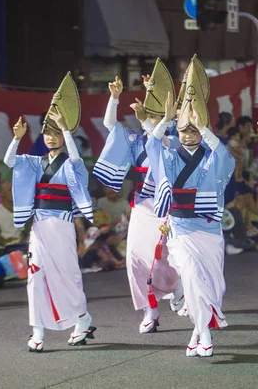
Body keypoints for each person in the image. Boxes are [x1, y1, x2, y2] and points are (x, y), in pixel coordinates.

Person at [146, 54, 235, 357]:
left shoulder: (212, 156)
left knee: (211, 284)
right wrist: (167, 120)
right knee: (193, 279)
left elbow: (225, 159)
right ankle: (206, 333)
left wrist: (204, 128)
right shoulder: (170, 156)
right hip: (181, 228)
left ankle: (197, 331)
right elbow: (152, 147)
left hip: (208, 229)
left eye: (193, 130)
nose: (187, 134)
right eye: (183, 130)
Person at [3, 73, 96, 352]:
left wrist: (67, 130)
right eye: (47, 134)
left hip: (63, 225)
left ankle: (82, 318)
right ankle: (38, 331)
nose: (51, 138)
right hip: (40, 227)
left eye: (55, 134)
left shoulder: (70, 164)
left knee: (68, 276)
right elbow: (10, 162)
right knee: (36, 277)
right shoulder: (34, 163)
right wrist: (17, 138)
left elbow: (78, 159)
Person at [93, 63, 182, 334]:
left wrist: (155, 117)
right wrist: (115, 98)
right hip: (142, 203)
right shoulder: (135, 140)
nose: (152, 118)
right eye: (149, 114)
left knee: (164, 256)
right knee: (136, 258)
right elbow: (111, 125)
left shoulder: (176, 139)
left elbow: (161, 143)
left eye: (157, 114)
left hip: (169, 205)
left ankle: (177, 286)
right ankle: (150, 310)